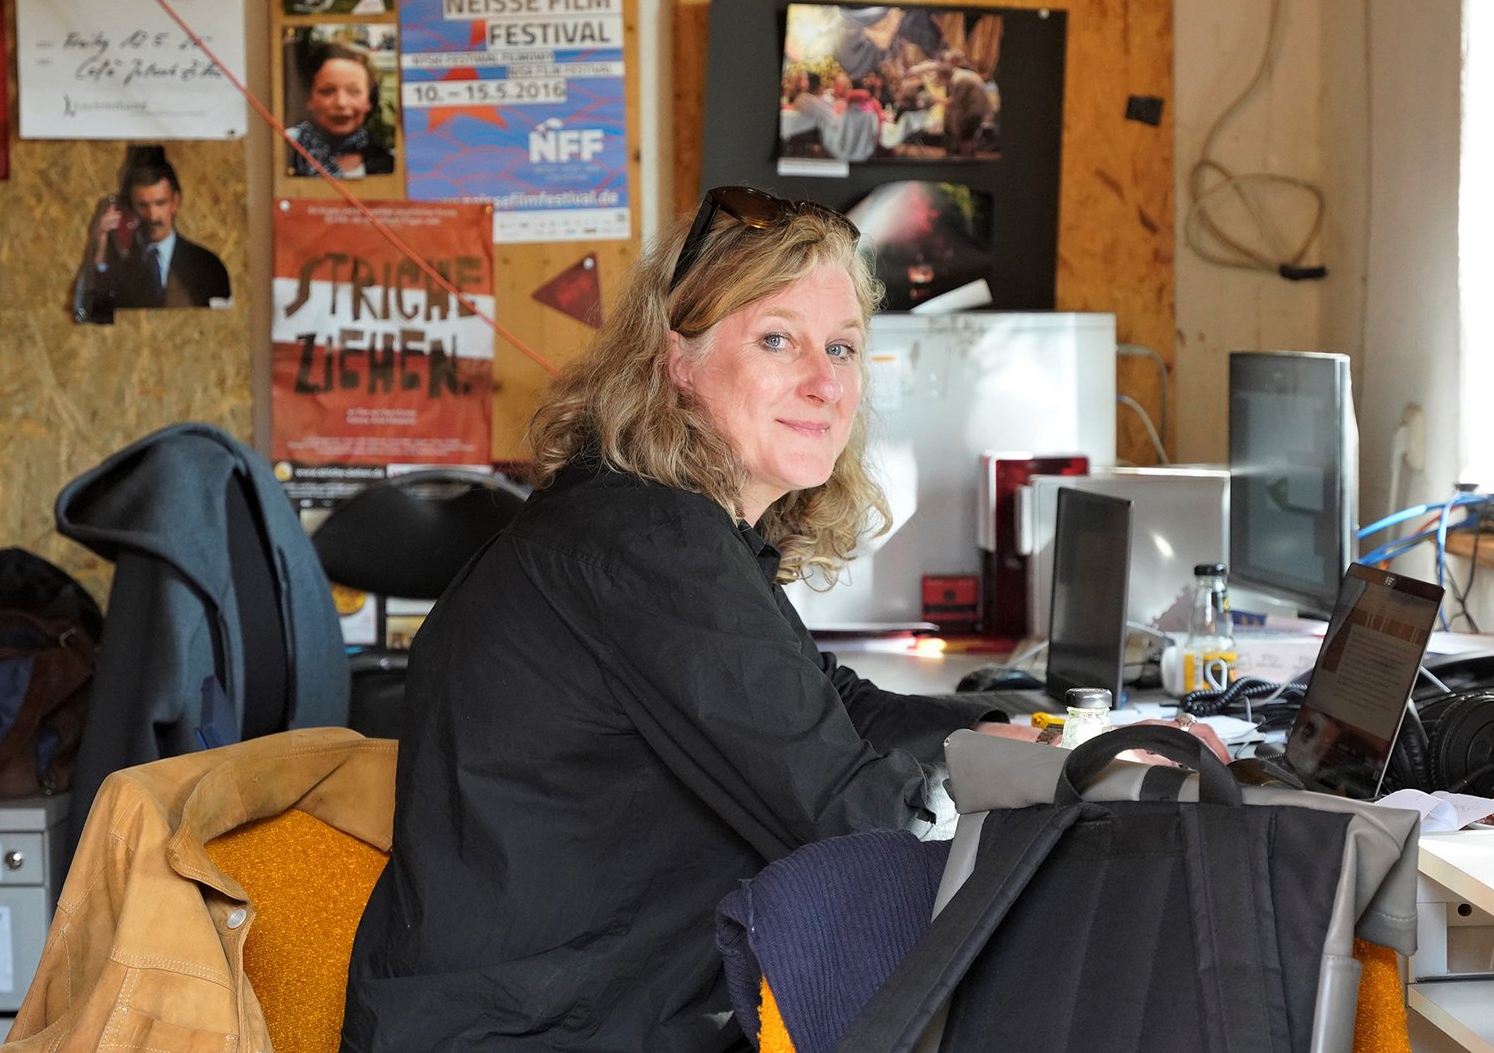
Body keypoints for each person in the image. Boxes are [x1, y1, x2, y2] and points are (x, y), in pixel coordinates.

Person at [340, 186, 1007, 1052]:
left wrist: (1009, 730)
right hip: (531, 1034)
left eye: (842, 347)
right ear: (676, 361)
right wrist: (1036, 786)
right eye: (778, 339)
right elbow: (852, 817)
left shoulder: (655, 521)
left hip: (565, 1014)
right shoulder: (650, 540)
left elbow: (830, 706)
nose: (824, 381)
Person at [75, 148, 231, 318]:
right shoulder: (118, 270)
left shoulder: (208, 267)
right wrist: (100, 247)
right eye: (143, 205)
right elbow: (95, 321)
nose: (152, 216)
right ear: (130, 207)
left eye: (160, 203)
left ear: (175, 202)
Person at [286, 41, 393, 179]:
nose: (341, 103)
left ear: (369, 101)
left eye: (353, 91)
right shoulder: (285, 148)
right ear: (308, 98)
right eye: (327, 91)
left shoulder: (387, 162)